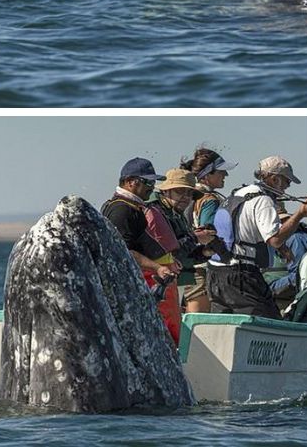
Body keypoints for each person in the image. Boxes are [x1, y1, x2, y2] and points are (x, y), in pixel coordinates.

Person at [206, 156, 307, 320]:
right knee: (271, 325)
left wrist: (282, 249)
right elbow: (274, 239)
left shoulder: (238, 193)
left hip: (215, 273)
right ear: (275, 179)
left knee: (225, 327)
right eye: (287, 182)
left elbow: (244, 229)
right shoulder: (263, 200)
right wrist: (300, 214)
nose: (287, 187)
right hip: (240, 275)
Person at [102, 157, 184, 343]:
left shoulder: (129, 207)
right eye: (147, 182)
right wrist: (157, 267)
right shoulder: (122, 210)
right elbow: (123, 250)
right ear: (130, 182)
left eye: (153, 182)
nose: (152, 187)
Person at [148, 168, 225, 314]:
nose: (185, 197)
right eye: (179, 191)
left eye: (189, 193)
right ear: (165, 191)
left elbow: (183, 254)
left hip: (173, 279)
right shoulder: (156, 212)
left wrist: (205, 251)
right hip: (157, 280)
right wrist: (196, 238)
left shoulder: (175, 214)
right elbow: (168, 251)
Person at [181, 147, 238, 313]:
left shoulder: (188, 195)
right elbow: (209, 234)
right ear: (207, 175)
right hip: (201, 268)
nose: (225, 175)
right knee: (199, 322)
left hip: (186, 263)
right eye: (221, 171)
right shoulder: (209, 200)